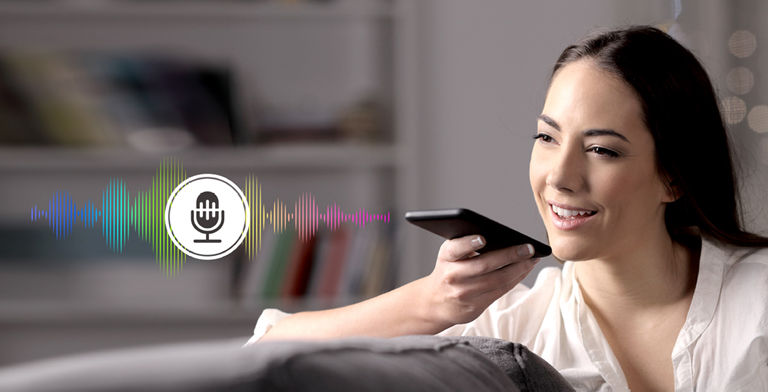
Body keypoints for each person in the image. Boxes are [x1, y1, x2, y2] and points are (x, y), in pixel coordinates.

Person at [246, 26, 768, 391]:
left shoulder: (758, 300)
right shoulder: (511, 328)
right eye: (546, 138)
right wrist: (434, 303)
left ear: (673, 176)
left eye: (601, 149)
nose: (559, 177)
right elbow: (264, 354)